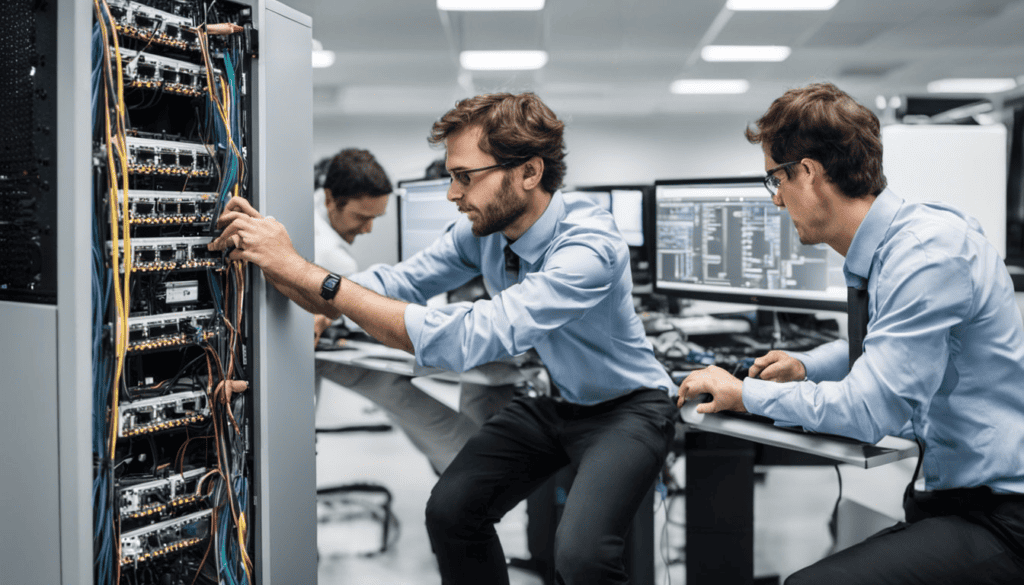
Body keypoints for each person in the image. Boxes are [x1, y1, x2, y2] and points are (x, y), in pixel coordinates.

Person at [209, 92, 678, 584]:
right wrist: (280, 265)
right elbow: (394, 284)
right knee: (452, 512)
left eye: (464, 177)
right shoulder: (484, 234)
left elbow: (470, 337)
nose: (452, 194)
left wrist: (310, 276)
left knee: (582, 556)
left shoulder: (589, 245)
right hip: (556, 402)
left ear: (529, 172)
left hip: (629, 407)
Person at [678, 82, 1024, 584]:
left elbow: (866, 412)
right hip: (948, 498)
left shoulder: (927, 256)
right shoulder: (895, 246)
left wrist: (744, 394)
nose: (776, 201)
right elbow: (890, 346)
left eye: (776, 180)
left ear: (809, 172)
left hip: (1001, 517)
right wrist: (806, 367)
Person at [310, 148, 514, 474]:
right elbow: (408, 278)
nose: (452, 195)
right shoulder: (469, 236)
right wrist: (339, 298)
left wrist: (340, 300)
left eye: (463, 181)